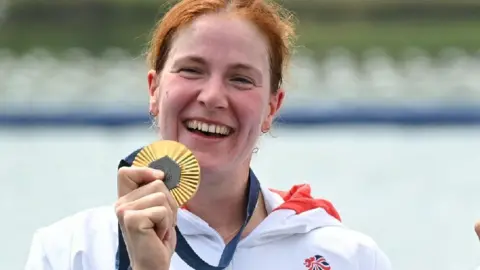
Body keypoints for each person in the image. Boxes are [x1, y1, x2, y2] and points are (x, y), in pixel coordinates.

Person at [24, 0, 392, 269]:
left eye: (241, 79)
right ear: (154, 90)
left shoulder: (348, 257)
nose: (213, 96)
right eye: (192, 70)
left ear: (271, 108)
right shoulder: (70, 252)